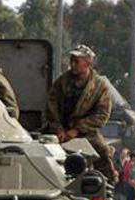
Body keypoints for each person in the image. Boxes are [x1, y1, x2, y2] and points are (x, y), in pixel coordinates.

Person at [44, 44, 114, 181]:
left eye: (77, 61)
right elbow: (51, 107)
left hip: (86, 132)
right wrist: (58, 129)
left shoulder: (100, 86)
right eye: (71, 61)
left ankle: (106, 185)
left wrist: (77, 130)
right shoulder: (62, 82)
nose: (72, 64)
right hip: (60, 130)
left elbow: (102, 114)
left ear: (87, 63)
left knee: (103, 152)